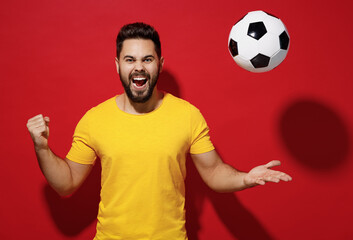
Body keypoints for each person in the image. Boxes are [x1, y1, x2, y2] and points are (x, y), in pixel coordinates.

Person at [27, 22, 292, 240]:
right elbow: (66, 182)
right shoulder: (94, 119)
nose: (139, 67)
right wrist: (42, 148)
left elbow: (212, 171)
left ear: (160, 64)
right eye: (130, 59)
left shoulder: (187, 115)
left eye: (147, 59)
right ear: (117, 65)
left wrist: (245, 178)